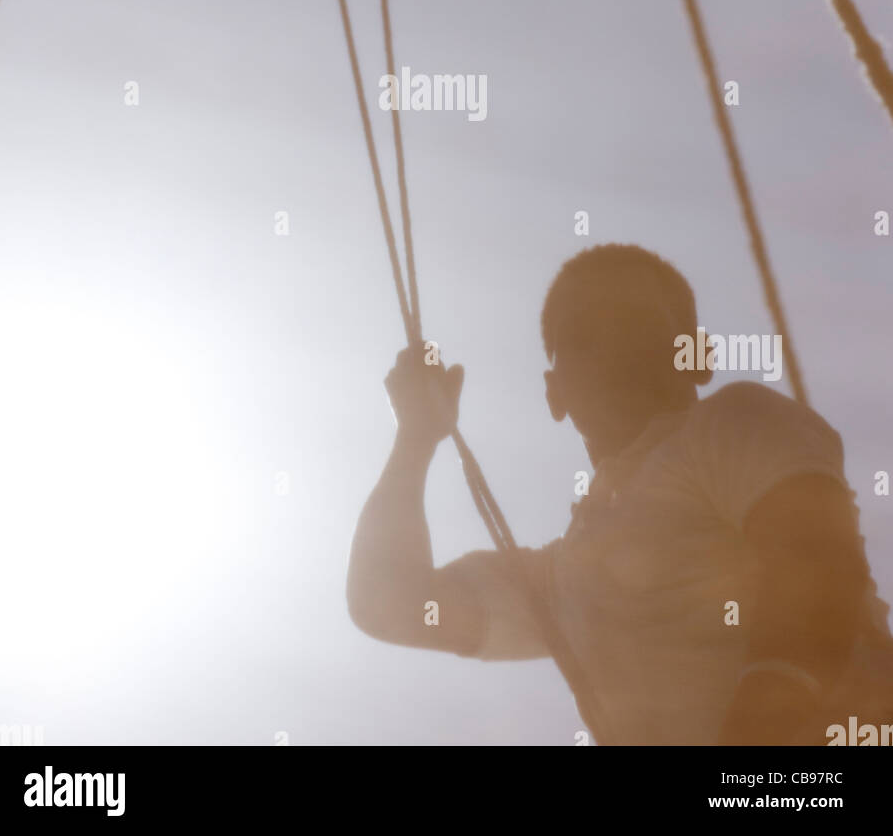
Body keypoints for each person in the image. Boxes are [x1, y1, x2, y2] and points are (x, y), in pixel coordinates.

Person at [347, 243, 893, 745]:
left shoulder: (733, 421)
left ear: (697, 357)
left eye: (635, 323)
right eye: (582, 334)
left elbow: (817, 567)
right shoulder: (559, 584)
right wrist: (415, 440)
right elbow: (388, 604)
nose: (610, 344)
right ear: (553, 392)